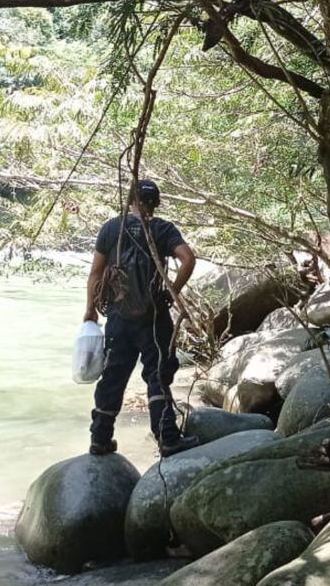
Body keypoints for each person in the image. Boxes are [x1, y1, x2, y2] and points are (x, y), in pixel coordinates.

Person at [83, 179, 200, 456]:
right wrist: (172, 292)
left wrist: (90, 310)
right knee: (158, 375)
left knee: (113, 375)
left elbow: (96, 273)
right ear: (155, 203)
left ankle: (100, 438)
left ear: (130, 201)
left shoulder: (112, 228)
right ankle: (167, 437)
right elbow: (188, 259)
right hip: (153, 317)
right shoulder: (163, 229)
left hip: (118, 316)